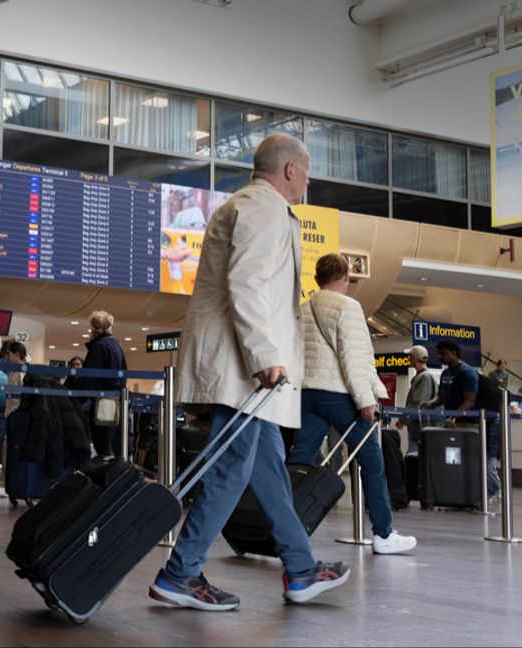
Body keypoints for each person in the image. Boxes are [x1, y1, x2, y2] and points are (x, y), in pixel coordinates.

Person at [148, 134, 349, 611]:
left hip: (243, 371)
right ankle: (180, 573)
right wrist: (264, 355)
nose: (308, 180)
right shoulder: (263, 208)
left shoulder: (245, 205)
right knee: (229, 471)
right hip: (245, 371)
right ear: (290, 171)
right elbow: (248, 282)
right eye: (306, 171)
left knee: (270, 471)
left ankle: (300, 569)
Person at [285, 253, 417, 555]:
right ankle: (383, 534)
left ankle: (286, 529)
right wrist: (365, 400)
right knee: (372, 460)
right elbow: (353, 358)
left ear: (318, 278)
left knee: (300, 461)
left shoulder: (303, 308)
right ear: (345, 275)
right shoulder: (349, 306)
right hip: (339, 395)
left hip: (307, 393)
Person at [420, 341, 498, 499]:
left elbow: (470, 399)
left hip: (469, 424)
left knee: (476, 460)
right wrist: (431, 403)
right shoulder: (446, 373)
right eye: (439, 353)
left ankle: (489, 490)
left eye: (443, 353)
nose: (440, 357)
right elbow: (441, 396)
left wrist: (453, 417)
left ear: (454, 353)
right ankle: (462, 493)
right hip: (452, 422)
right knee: (456, 461)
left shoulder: (467, 372)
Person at [75, 310, 127, 458]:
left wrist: (78, 400)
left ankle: (108, 478)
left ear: (94, 330)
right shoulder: (117, 346)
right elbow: (124, 374)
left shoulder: (98, 347)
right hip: (114, 402)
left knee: (102, 447)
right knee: (107, 445)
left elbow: (89, 378)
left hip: (100, 403)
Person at [0, 340, 28, 499]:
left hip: (16, 415)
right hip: (10, 414)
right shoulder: (14, 372)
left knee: (8, 449)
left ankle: (5, 483)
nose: (7, 358)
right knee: (5, 448)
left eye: (9, 354)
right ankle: (2, 480)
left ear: (17, 354)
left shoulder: (22, 372)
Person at [395, 345, 436, 456]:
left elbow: (417, 402)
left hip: (420, 427)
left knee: (413, 456)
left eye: (410, 357)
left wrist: (403, 420)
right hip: (417, 426)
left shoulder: (424, 377)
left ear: (414, 358)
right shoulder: (423, 376)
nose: (409, 359)